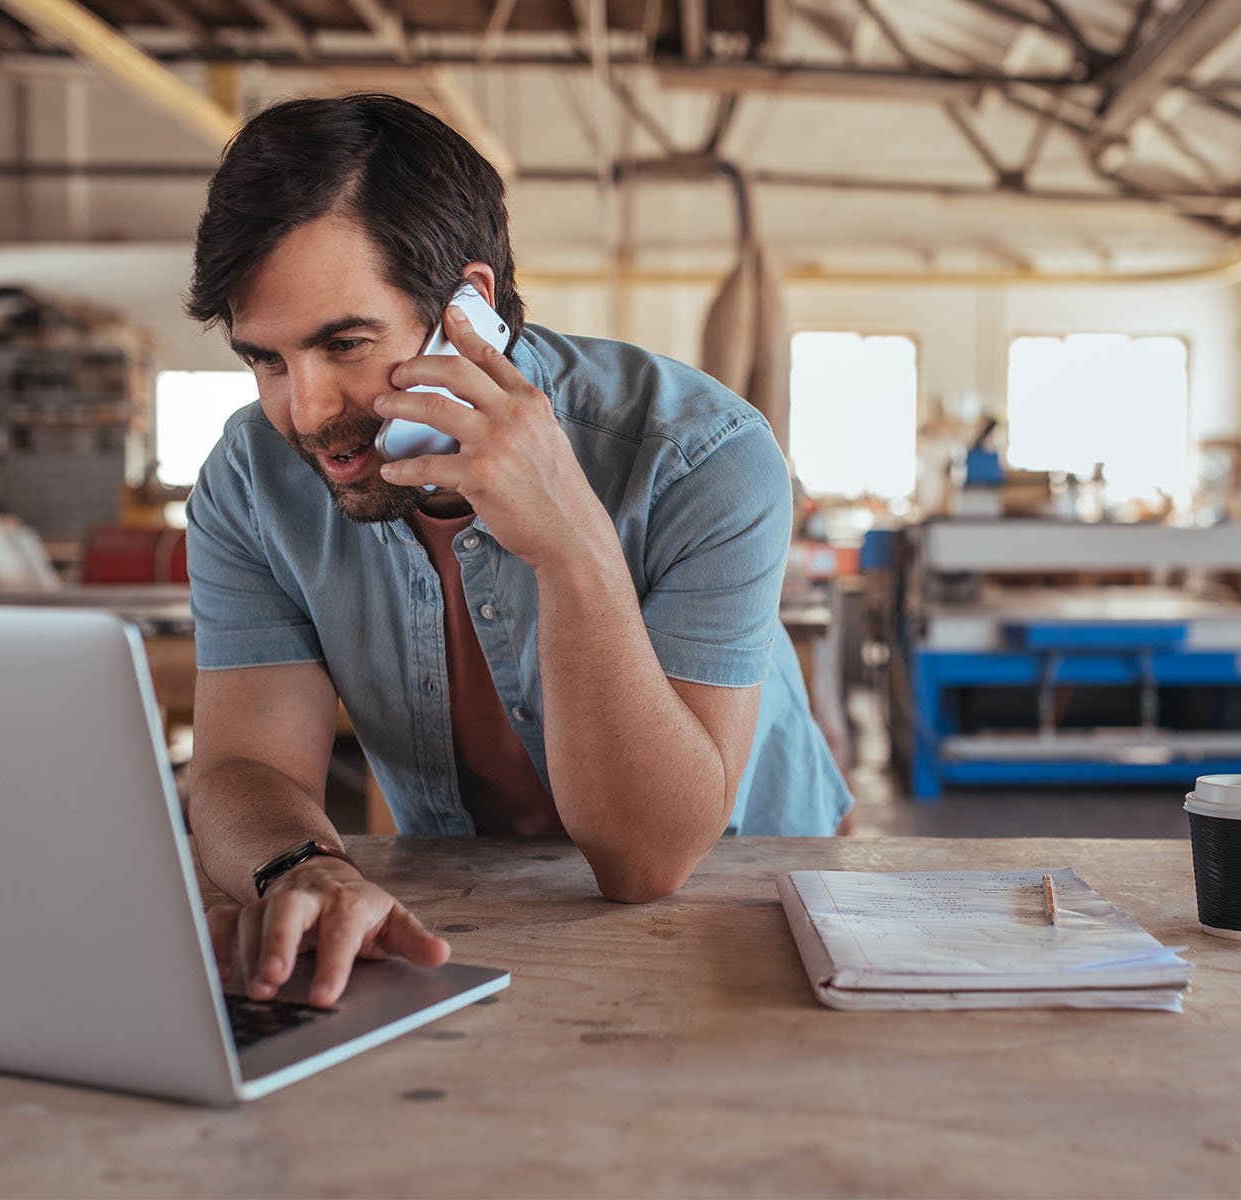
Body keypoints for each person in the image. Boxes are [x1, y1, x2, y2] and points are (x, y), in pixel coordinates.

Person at [182, 94, 853, 1008]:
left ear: (469, 308)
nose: (304, 411)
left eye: (345, 343)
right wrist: (301, 867)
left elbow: (648, 862)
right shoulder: (251, 478)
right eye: (266, 359)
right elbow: (242, 768)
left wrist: (571, 546)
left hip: (748, 897)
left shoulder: (704, 457)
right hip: (463, 907)